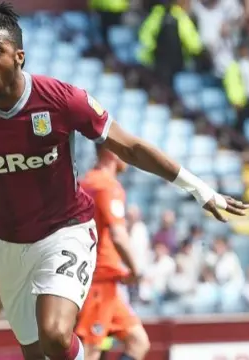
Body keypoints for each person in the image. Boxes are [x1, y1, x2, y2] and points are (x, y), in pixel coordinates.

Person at [0, 3, 249, 360]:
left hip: (65, 231)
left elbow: (131, 147)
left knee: (56, 336)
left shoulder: (61, 100)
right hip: (9, 244)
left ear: (19, 57)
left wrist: (199, 188)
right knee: (37, 353)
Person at [76, 147, 150, 360]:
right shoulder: (108, 186)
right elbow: (118, 235)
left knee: (138, 341)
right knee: (91, 351)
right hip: (99, 280)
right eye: (124, 151)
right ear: (111, 153)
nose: (128, 157)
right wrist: (136, 270)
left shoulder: (83, 183)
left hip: (100, 281)